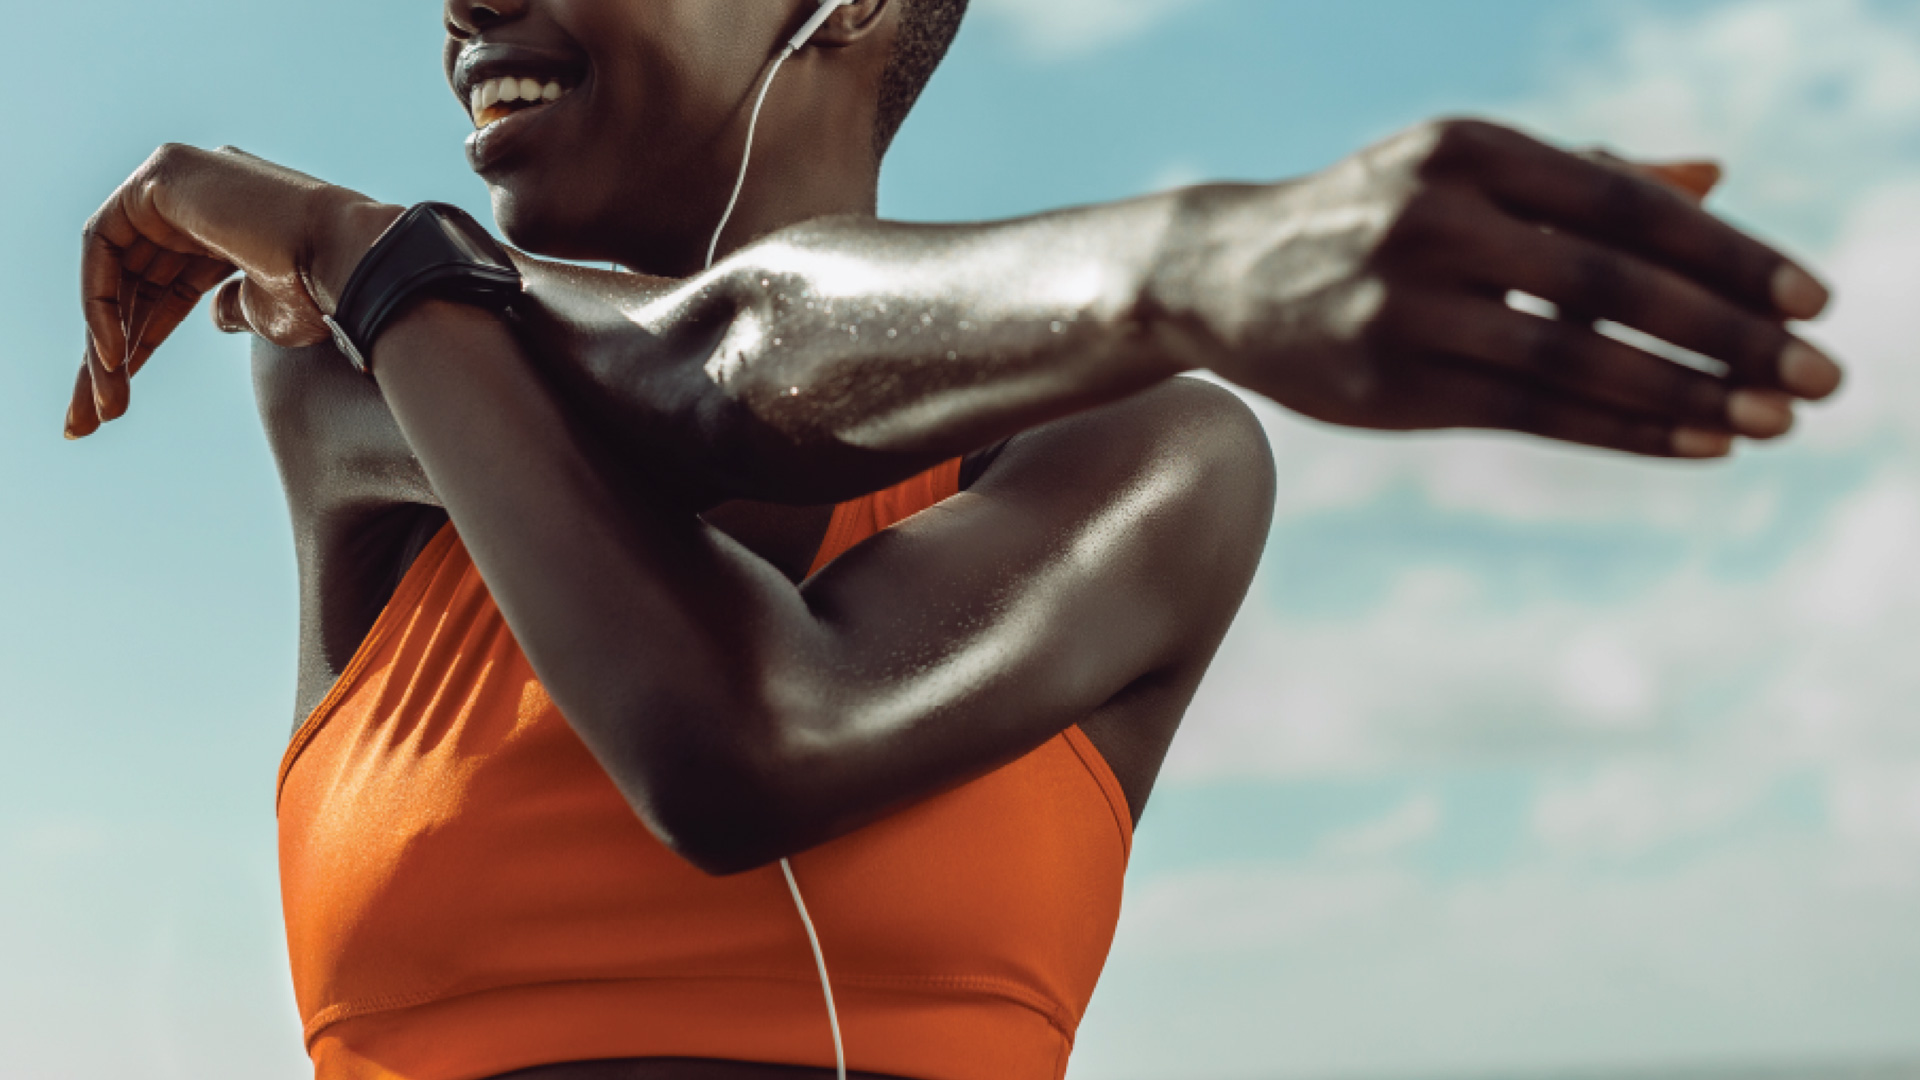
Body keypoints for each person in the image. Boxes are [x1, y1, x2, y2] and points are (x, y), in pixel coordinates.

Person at [68, 1, 1844, 1078]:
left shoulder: (1144, 458)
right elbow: (680, 369)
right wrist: (1214, 261)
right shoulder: (368, 383)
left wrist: (374, 248)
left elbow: (755, 724)